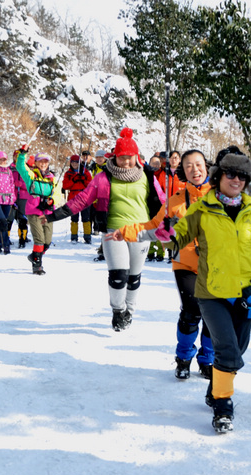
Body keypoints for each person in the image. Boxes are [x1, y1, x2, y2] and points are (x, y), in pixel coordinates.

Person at [166, 151, 251, 433]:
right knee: (226, 348)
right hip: (211, 292)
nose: (236, 180)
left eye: (242, 176)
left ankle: (216, 387)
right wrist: (169, 236)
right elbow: (180, 235)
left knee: (238, 349)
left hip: (245, 292)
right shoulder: (202, 208)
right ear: (218, 177)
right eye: (230, 174)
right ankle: (223, 407)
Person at [108, 149, 215, 380]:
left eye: (198, 165)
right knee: (191, 311)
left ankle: (208, 359)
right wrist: (125, 232)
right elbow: (151, 227)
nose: (194, 170)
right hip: (185, 263)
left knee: (213, 316)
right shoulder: (175, 201)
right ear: (182, 171)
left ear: (206, 166)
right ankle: (184, 357)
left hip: (215, 265)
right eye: (188, 166)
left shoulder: (221, 195)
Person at [43, 128, 165, 329]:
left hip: (142, 232)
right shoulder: (103, 177)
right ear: (115, 156)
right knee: (119, 276)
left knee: (134, 277)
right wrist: (54, 216)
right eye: (122, 157)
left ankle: (129, 311)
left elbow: (161, 201)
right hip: (113, 232)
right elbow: (82, 199)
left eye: (130, 157)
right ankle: (118, 311)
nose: (126, 161)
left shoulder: (147, 176)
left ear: (136, 156)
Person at [16, 149, 59, 275]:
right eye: (41, 161)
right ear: (36, 163)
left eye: (45, 162)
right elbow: (20, 166)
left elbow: (57, 193)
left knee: (47, 241)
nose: (43, 164)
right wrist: (22, 154)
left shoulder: (52, 178)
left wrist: (51, 200)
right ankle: (37, 265)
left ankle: (34, 255)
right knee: (39, 239)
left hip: (48, 212)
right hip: (34, 211)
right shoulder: (31, 176)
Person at [61, 155, 93, 243]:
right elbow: (65, 186)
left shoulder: (85, 172)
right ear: (70, 163)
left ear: (79, 163)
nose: (74, 164)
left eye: (76, 162)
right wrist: (73, 180)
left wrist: (84, 180)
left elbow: (90, 185)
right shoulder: (68, 173)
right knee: (74, 218)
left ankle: (87, 237)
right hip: (73, 198)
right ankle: (74, 237)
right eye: (73, 162)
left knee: (86, 218)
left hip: (84, 198)